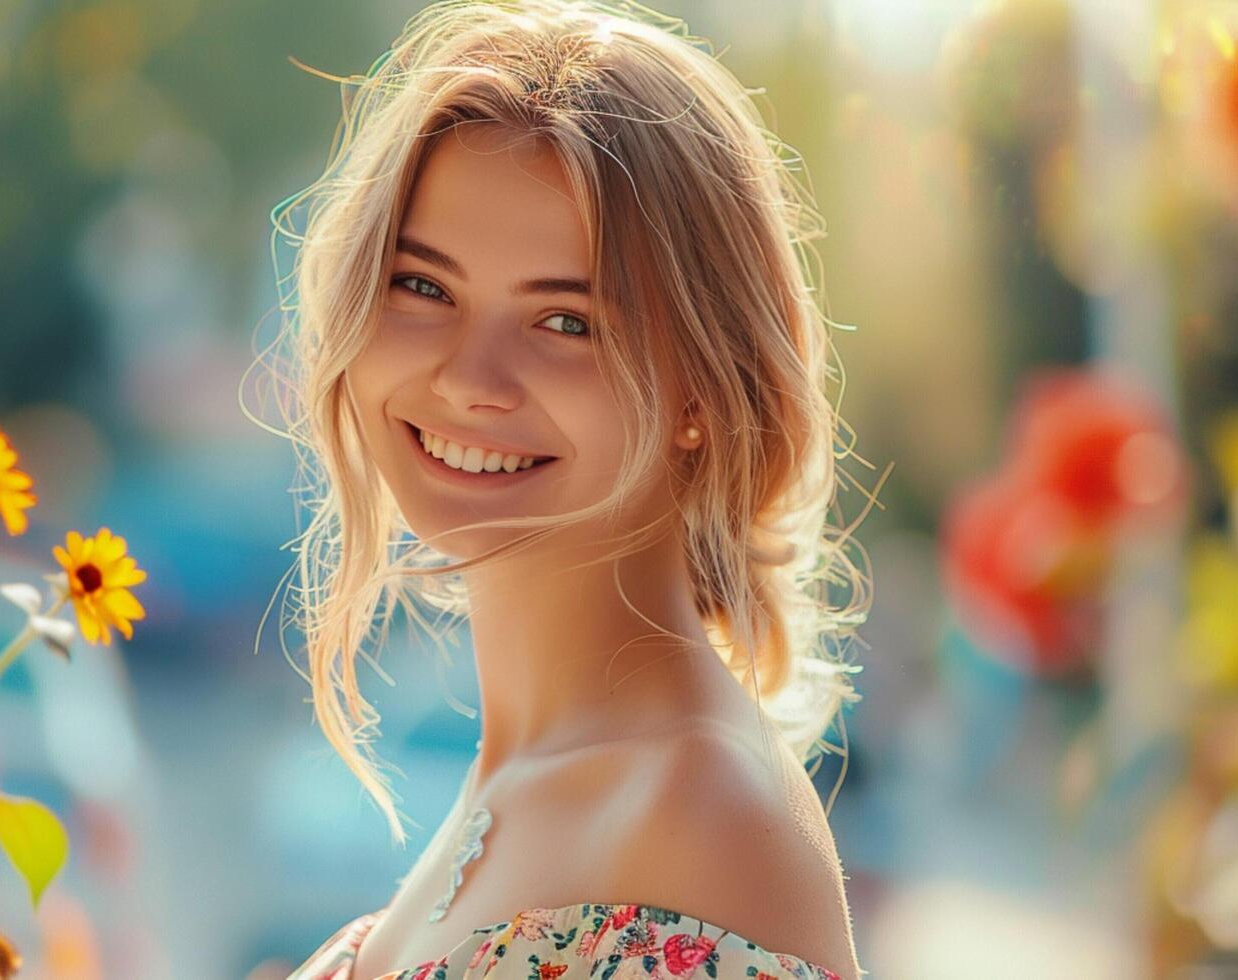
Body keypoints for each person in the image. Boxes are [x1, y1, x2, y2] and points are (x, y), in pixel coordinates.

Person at [261, 1, 874, 977]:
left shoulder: (698, 815)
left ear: (703, 390)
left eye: (566, 322)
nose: (471, 376)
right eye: (425, 286)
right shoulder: (525, 775)